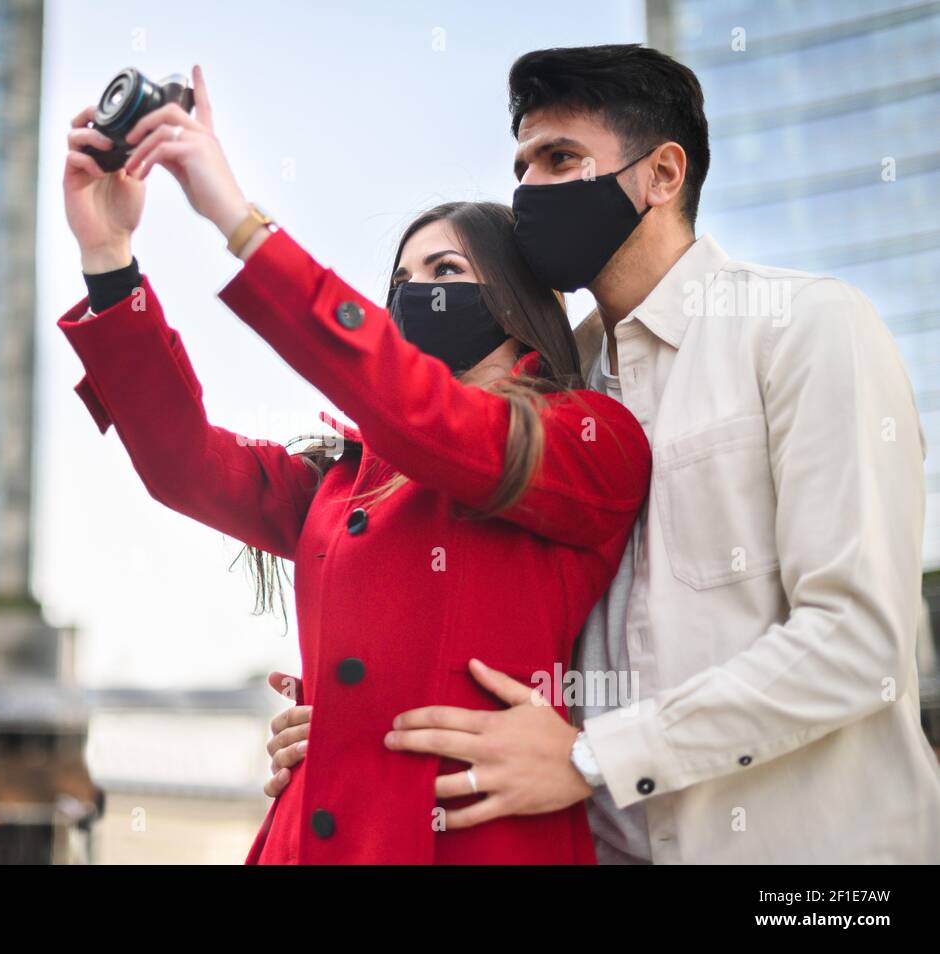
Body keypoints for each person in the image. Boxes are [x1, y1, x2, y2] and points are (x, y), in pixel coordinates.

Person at [269, 44, 940, 863]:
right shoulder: (551, 391)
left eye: (561, 159)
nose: (530, 191)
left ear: (662, 174)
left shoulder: (805, 327)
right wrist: (356, 720)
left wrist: (596, 758)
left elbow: (856, 639)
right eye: (522, 166)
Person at [58, 66, 650, 863]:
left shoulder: (590, 441)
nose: (414, 297)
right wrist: (108, 254)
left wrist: (235, 217)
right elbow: (184, 464)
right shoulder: (343, 478)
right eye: (401, 281)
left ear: (516, 302)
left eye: (446, 274)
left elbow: (426, 420)